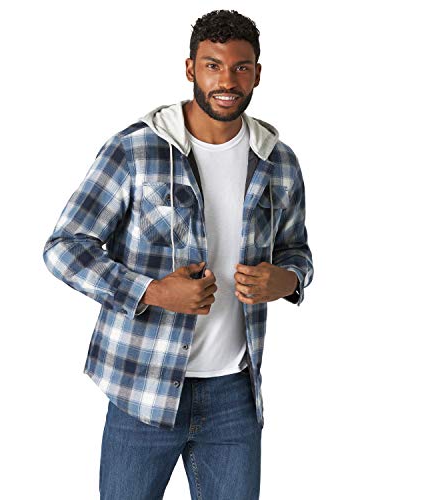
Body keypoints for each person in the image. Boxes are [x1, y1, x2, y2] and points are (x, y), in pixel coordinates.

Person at [42, 9, 314, 500]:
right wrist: (150, 291)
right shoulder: (135, 150)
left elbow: (296, 250)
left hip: (235, 394)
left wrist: (288, 280)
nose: (227, 81)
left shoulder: (278, 160)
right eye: (212, 66)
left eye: (240, 67)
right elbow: (65, 248)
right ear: (190, 68)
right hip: (141, 388)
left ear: (257, 73)